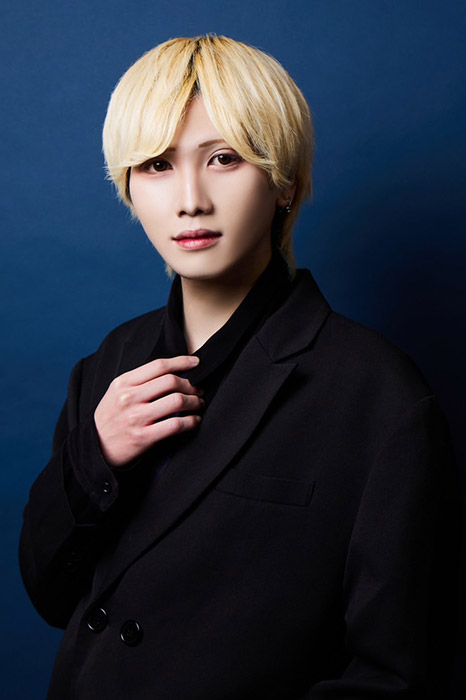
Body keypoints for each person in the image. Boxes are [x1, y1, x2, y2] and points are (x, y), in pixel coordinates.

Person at [19, 34, 455, 699]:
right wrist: (95, 457)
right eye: (157, 165)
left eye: (223, 158)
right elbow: (49, 594)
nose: (190, 199)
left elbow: (396, 673)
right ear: (129, 188)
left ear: (284, 182)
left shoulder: (379, 395)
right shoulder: (109, 363)